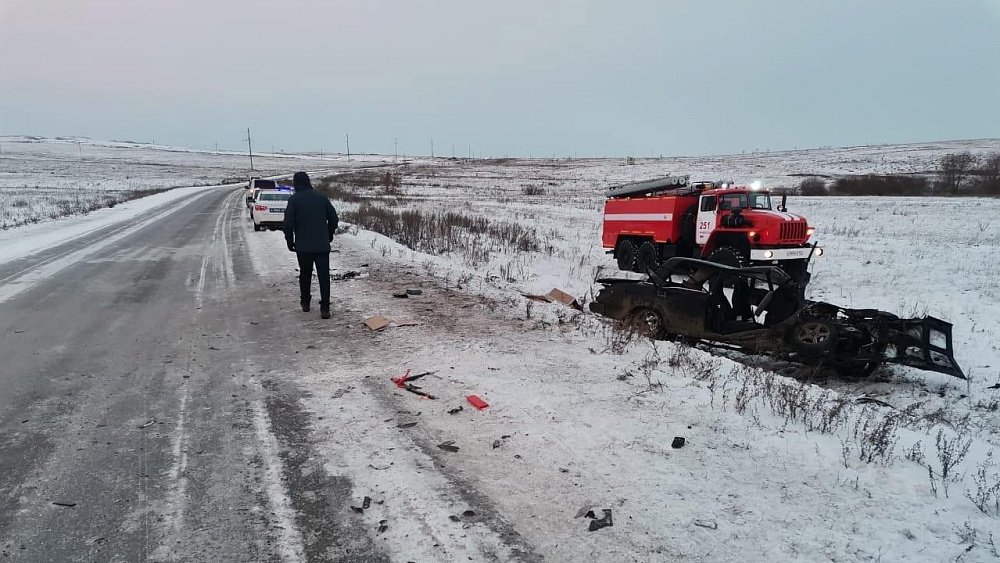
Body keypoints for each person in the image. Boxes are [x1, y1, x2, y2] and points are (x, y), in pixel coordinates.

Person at [283, 172, 339, 319]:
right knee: (324, 276)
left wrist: (289, 241)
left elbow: (288, 223)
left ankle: (306, 302)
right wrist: (329, 234)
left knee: (305, 274)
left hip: (303, 246)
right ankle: (325, 308)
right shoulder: (321, 198)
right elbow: (333, 218)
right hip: (322, 245)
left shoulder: (294, 200)